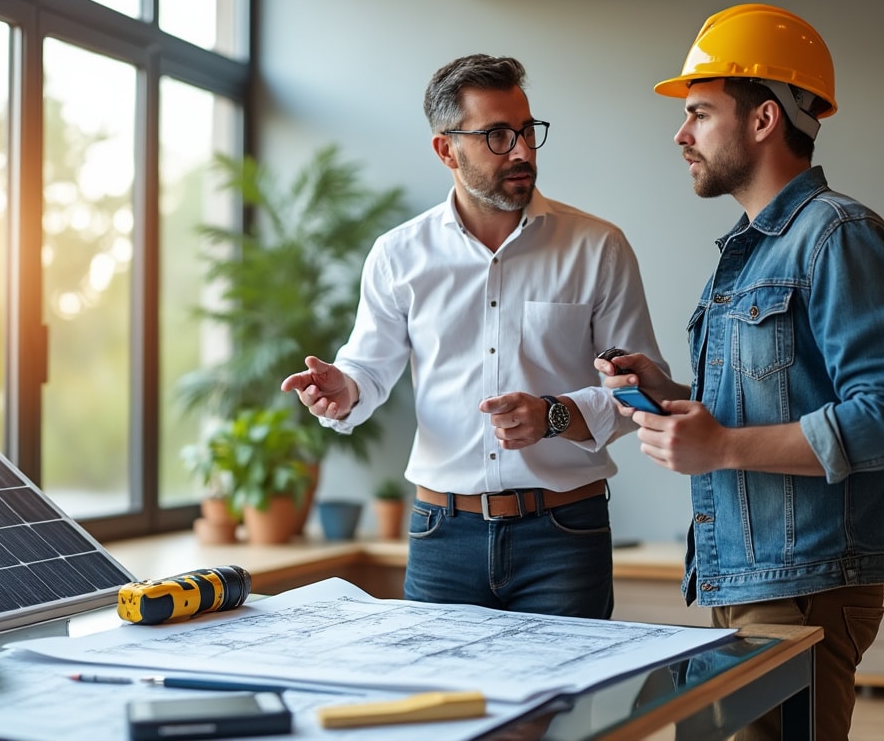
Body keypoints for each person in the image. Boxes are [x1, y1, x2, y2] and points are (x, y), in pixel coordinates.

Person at [597, 4, 884, 740]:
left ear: (763, 119)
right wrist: (672, 396)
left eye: (699, 114)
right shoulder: (751, 249)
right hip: (748, 576)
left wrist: (720, 447)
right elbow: (775, 398)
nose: (681, 134)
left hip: (805, 585)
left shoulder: (838, 236)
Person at [281, 53, 668, 619]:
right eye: (497, 135)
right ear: (446, 150)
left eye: (527, 131)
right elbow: (367, 370)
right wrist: (346, 388)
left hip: (564, 536)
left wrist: (554, 415)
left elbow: (641, 391)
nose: (522, 151)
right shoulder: (398, 255)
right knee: (438, 682)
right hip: (442, 536)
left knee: (569, 683)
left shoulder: (598, 247)